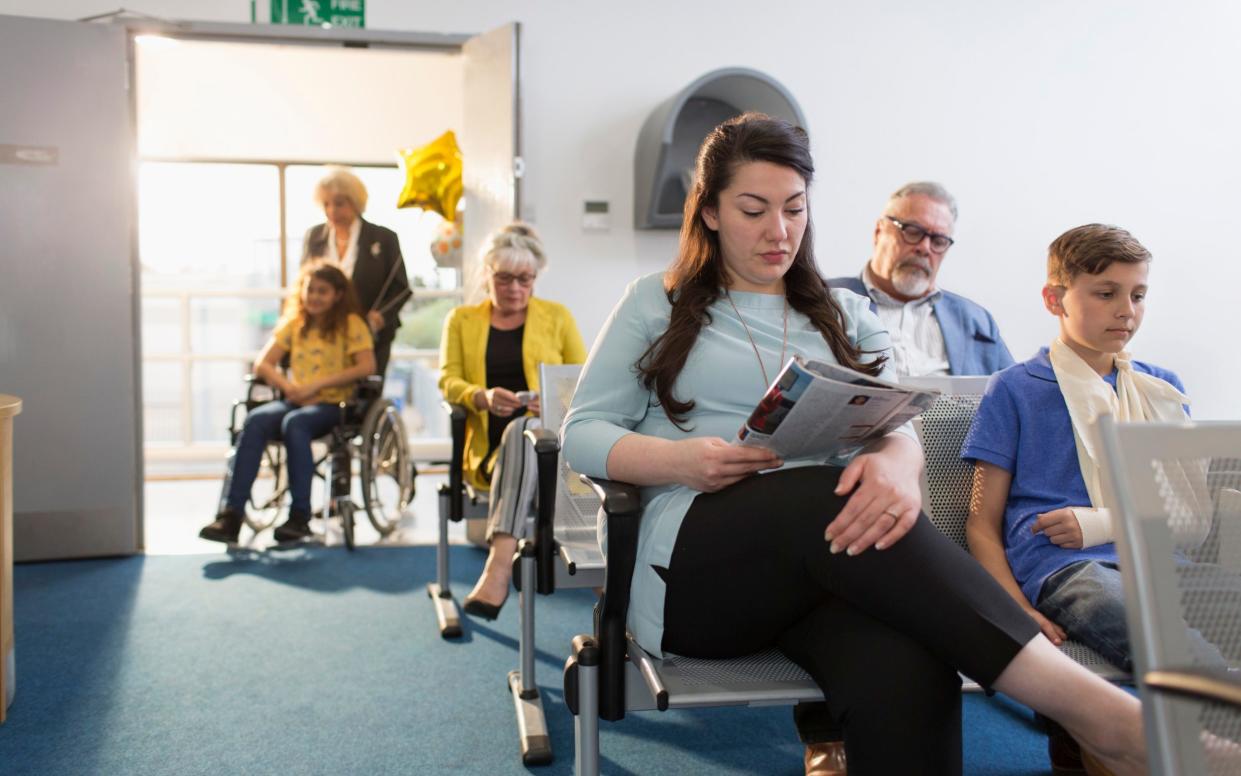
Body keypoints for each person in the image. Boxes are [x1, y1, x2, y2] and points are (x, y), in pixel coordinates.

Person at [561, 113, 1146, 776]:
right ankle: (1107, 720)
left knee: (908, 663)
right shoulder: (654, 302)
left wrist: (899, 459)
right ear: (711, 213)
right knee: (819, 495)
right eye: (753, 210)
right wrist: (682, 461)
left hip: (834, 566)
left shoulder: (843, 316)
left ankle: (1098, 721)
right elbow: (581, 432)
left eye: (793, 209)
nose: (777, 231)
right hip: (699, 570)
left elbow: (894, 422)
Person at [437, 223, 587, 619]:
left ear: (535, 278)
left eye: (525, 279)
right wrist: (480, 397)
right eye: (504, 278)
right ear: (487, 274)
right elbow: (447, 379)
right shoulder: (461, 320)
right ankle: (503, 563)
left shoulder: (557, 317)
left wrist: (551, 401)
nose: (515, 288)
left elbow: (582, 380)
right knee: (519, 431)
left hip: (552, 454)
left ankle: (497, 566)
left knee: (526, 429)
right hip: (491, 453)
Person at [200, 261, 375, 544]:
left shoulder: (351, 324)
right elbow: (263, 363)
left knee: (296, 423)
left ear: (338, 295)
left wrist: (316, 385)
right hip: (296, 399)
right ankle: (231, 516)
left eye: (323, 291)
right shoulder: (295, 324)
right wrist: (290, 388)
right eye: (310, 290)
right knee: (256, 420)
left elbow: (366, 366)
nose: (315, 297)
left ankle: (299, 516)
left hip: (332, 405)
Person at [827, 182, 1013, 377]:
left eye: (938, 241)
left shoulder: (977, 321)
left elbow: (1014, 394)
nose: (924, 248)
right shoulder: (825, 300)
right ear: (879, 231)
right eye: (913, 231)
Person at [302, 166, 410, 377]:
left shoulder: (384, 238)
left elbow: (401, 287)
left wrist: (379, 317)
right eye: (326, 204)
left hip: (370, 334)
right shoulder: (314, 237)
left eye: (339, 203)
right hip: (324, 333)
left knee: (365, 394)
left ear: (355, 202)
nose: (332, 210)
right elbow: (302, 283)